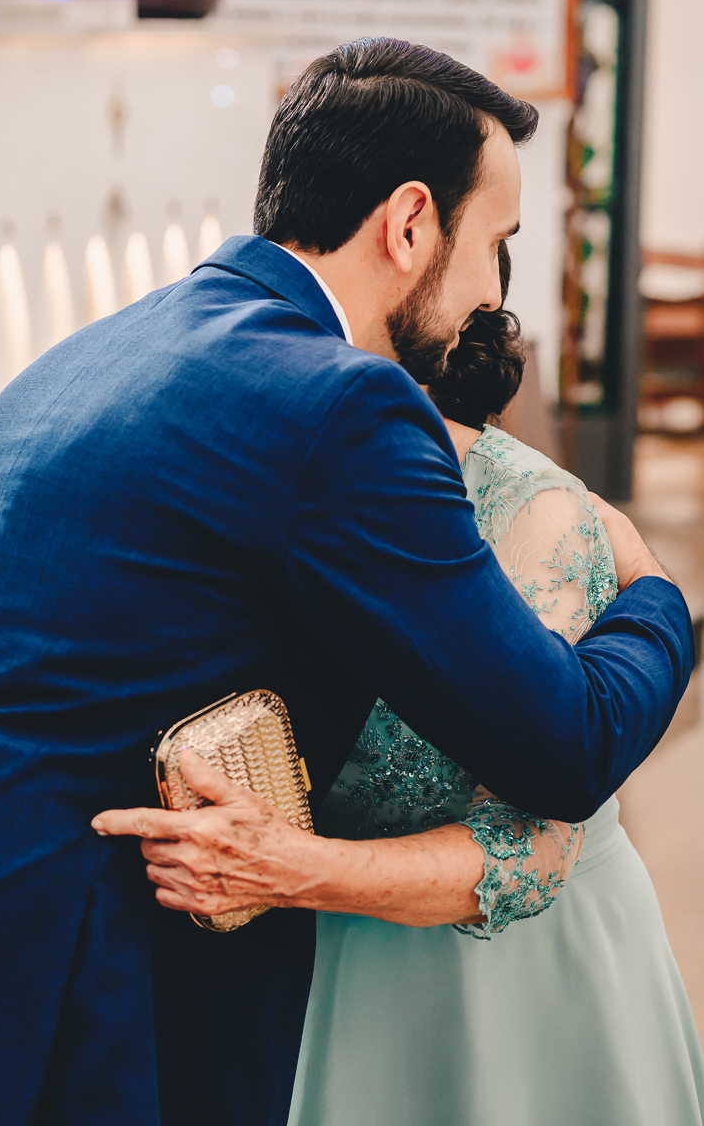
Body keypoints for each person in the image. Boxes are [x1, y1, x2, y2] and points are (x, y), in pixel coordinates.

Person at [0, 38, 693, 1126]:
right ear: (410, 223)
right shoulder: (345, 410)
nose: (487, 296)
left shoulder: (85, 357)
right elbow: (563, 747)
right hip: (77, 991)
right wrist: (657, 597)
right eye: (494, 242)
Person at [283, 247, 704, 1126]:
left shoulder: (533, 511)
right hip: (331, 965)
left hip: (518, 978)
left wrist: (301, 871)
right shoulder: (275, 481)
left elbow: (539, 834)